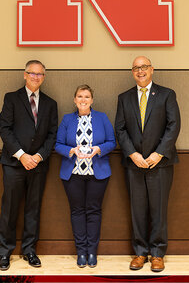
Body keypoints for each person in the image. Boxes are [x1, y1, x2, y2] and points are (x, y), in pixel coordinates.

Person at [115, 56, 180, 273]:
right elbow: (120, 129)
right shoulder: (124, 98)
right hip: (134, 164)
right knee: (138, 210)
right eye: (136, 68)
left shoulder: (167, 95)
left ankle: (158, 254)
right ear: (132, 72)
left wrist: (159, 154)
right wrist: (132, 153)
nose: (140, 71)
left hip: (159, 164)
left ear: (152, 69)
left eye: (144, 67)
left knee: (158, 210)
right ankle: (141, 252)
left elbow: (173, 126)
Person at [0, 60, 58, 271]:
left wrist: (38, 156)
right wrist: (22, 156)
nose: (36, 77)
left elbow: (52, 135)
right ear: (24, 75)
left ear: (44, 77)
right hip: (14, 164)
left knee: (33, 209)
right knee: (10, 208)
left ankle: (30, 250)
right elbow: (5, 129)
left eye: (40, 74)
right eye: (32, 73)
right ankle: (5, 252)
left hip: (39, 165)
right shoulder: (11, 98)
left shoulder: (51, 104)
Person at [54, 85, 116, 268]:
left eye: (87, 96)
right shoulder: (67, 119)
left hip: (97, 173)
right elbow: (58, 144)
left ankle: (92, 252)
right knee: (77, 211)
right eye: (80, 96)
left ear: (92, 100)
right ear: (74, 100)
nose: (83, 99)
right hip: (73, 174)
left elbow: (112, 142)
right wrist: (71, 150)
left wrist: (99, 149)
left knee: (94, 211)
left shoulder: (102, 118)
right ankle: (81, 252)